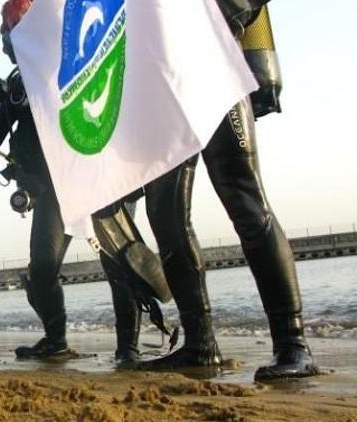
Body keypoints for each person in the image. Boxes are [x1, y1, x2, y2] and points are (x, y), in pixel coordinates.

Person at [0, 0, 172, 362]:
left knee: (120, 264)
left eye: (17, 29)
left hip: (103, 180)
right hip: (51, 191)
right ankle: (55, 339)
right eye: (8, 33)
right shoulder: (16, 85)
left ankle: (128, 348)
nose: (11, 39)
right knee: (42, 268)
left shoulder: (82, 60)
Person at [137, 1, 318, 380]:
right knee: (165, 215)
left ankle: (293, 344)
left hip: (212, 63)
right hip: (157, 86)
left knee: (246, 203)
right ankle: (200, 345)